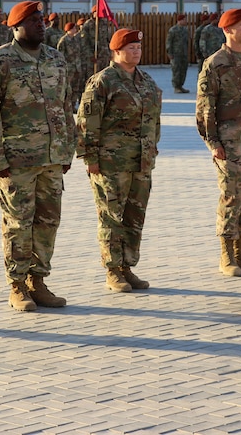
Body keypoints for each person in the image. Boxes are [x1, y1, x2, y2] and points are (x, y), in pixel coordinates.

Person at [0, 1, 75, 312]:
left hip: (51, 157)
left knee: (48, 222)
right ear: (15, 27)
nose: (41, 24)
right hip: (16, 160)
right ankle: (16, 285)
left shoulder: (56, 59)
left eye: (41, 19)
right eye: (32, 20)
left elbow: (65, 105)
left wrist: (68, 148)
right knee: (18, 223)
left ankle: (38, 281)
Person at [76, 28, 162, 293]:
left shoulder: (146, 80)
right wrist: (90, 157)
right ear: (116, 51)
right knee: (111, 217)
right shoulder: (103, 82)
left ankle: (127, 267)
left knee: (134, 216)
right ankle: (113, 270)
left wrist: (152, 150)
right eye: (131, 48)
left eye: (138, 47)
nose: (136, 52)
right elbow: (87, 123)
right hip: (111, 164)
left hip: (141, 162)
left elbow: (154, 120)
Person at [195, 8, 241, 277]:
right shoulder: (215, 63)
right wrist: (213, 143)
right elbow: (205, 107)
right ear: (227, 30)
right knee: (231, 196)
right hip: (228, 141)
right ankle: (227, 253)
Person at [56, 21, 84, 109]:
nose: (76, 30)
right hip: (69, 68)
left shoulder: (76, 40)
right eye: (74, 28)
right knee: (67, 88)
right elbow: (60, 56)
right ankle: (66, 106)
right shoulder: (63, 41)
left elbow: (79, 53)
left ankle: (73, 105)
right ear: (69, 29)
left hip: (77, 67)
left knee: (76, 88)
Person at [165, 14, 190, 93]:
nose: (186, 21)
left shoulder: (185, 30)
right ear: (180, 20)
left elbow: (187, 42)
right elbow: (169, 42)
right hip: (175, 54)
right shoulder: (173, 30)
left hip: (184, 53)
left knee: (183, 70)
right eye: (184, 19)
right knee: (176, 70)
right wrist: (169, 53)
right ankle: (176, 87)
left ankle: (181, 86)